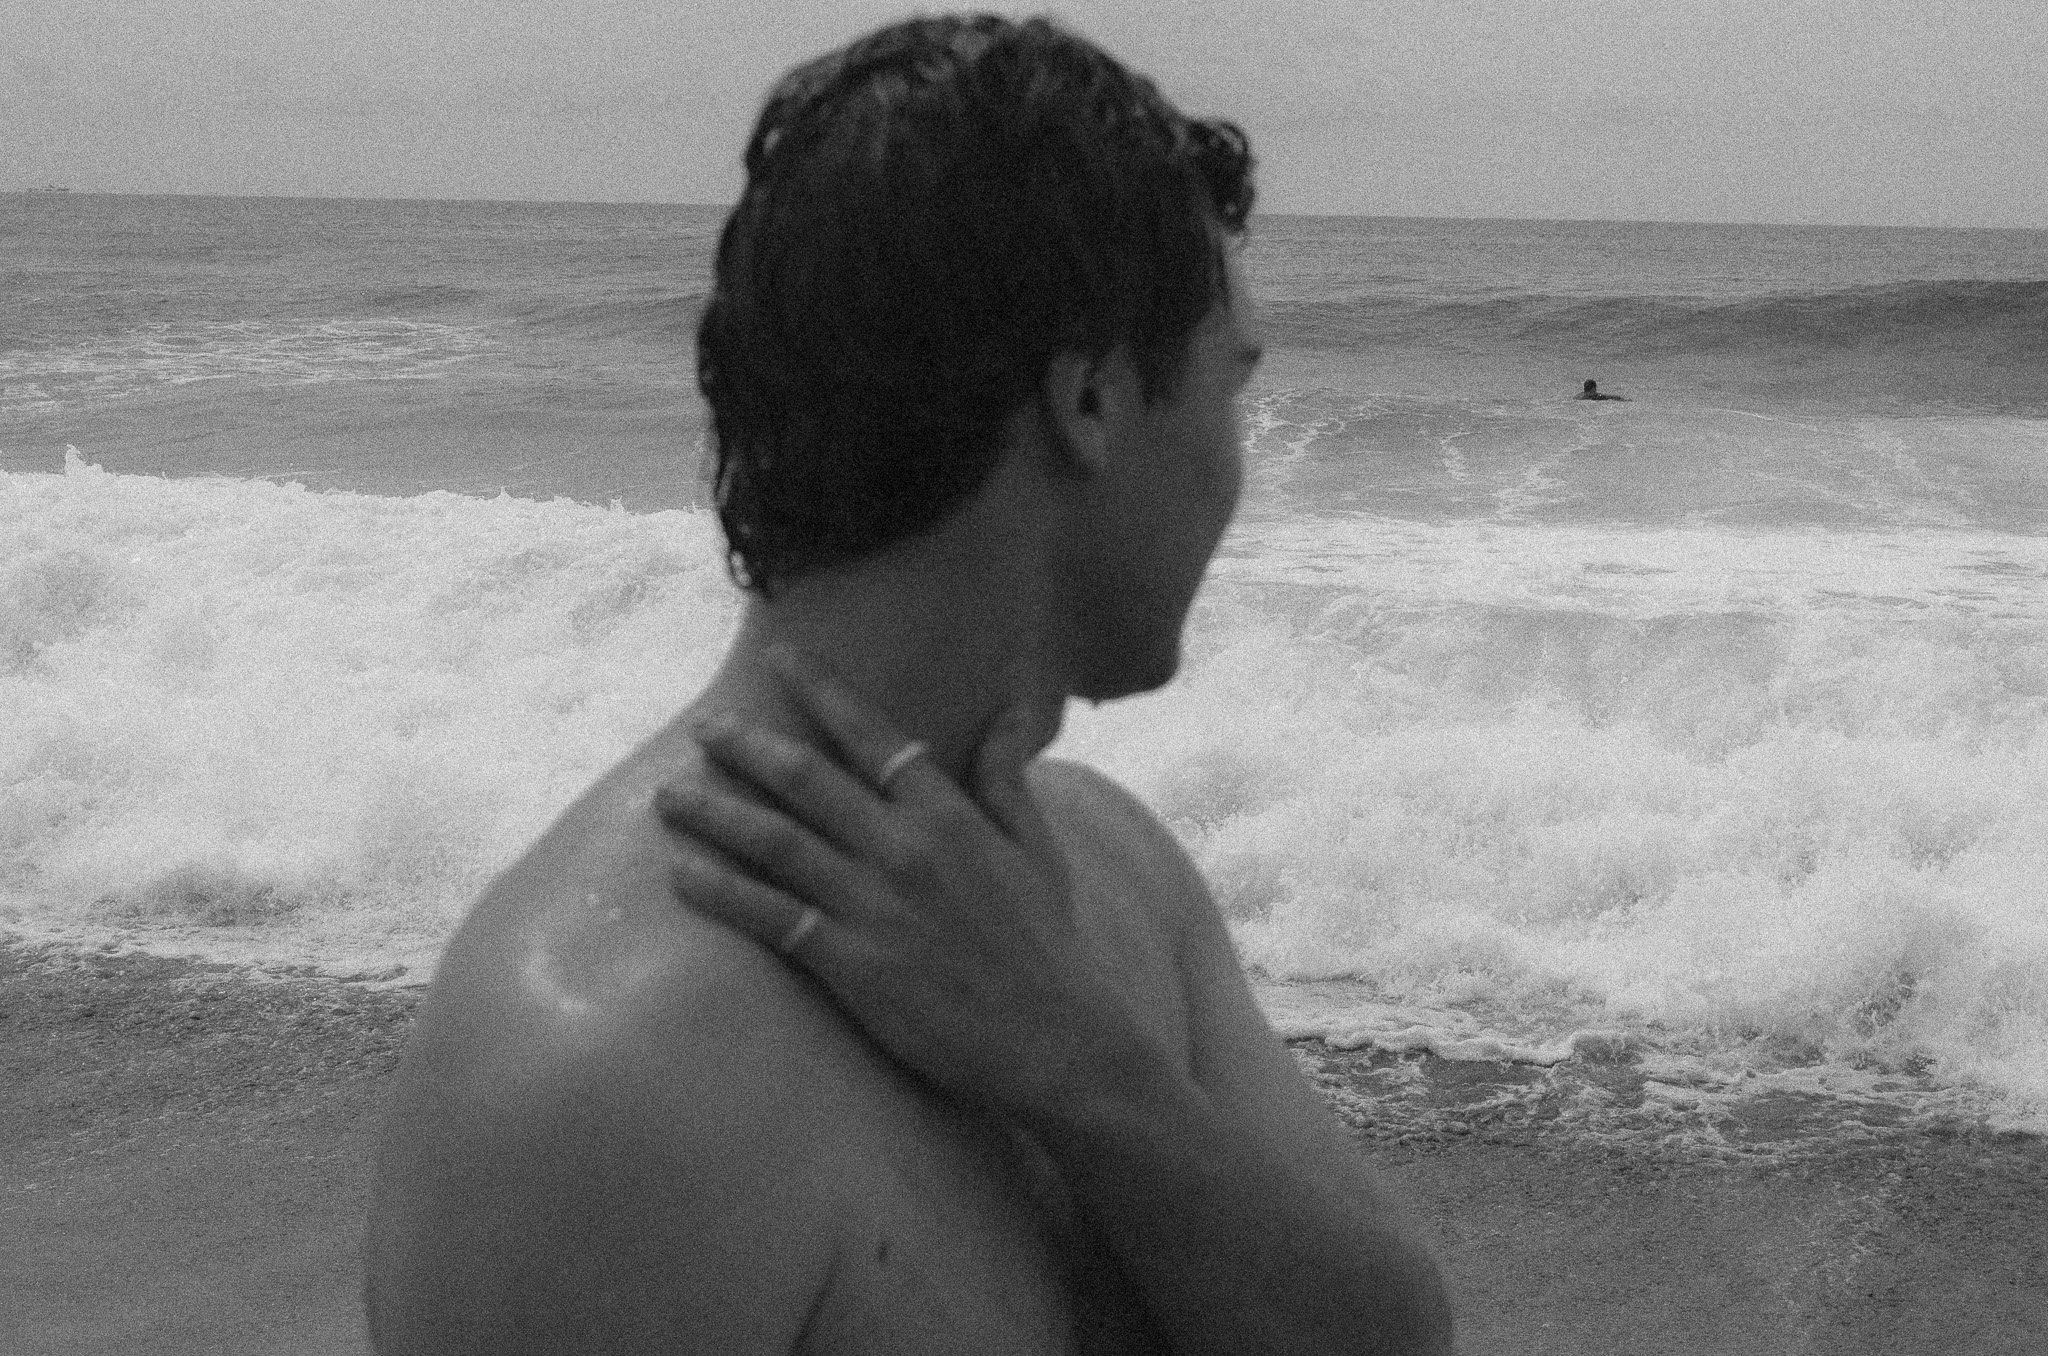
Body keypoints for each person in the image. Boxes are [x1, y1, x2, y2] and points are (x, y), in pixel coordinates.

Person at [364, 15, 1452, 1355]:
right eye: (1231, 387)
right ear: (1091, 402)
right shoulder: (599, 1074)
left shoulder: (1119, 876)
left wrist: (1080, 1067)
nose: (1240, 464)